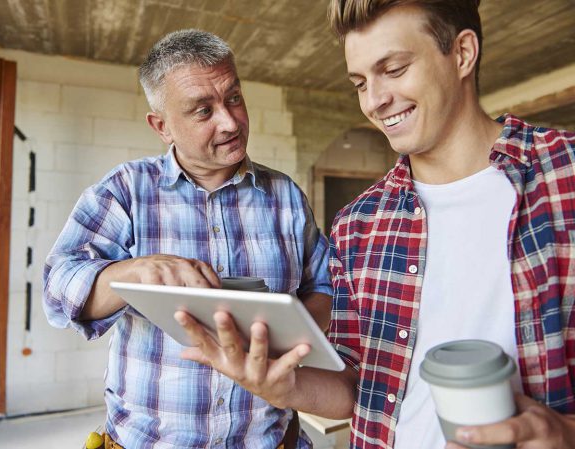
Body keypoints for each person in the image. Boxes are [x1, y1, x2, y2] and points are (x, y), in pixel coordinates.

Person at [174, 1, 575, 448]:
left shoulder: (565, 176)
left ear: (462, 53)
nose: (375, 100)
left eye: (395, 69)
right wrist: (280, 387)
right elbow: (355, 384)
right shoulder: (358, 224)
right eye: (360, 82)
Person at [42, 29, 333, 449]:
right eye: (203, 110)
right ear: (162, 126)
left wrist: (283, 338)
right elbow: (57, 290)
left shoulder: (285, 196)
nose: (230, 121)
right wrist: (131, 272)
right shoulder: (126, 190)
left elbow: (324, 286)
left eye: (234, 97)